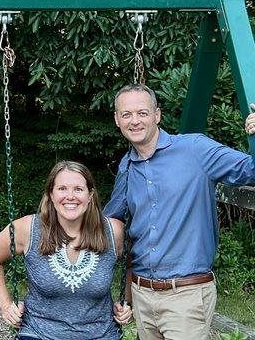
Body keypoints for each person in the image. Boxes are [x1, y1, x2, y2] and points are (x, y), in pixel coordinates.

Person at [103, 83, 255, 340]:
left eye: (142, 112)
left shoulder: (195, 149)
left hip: (186, 294)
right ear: (117, 120)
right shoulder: (127, 165)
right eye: (126, 114)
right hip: (141, 294)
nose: (135, 121)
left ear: (157, 115)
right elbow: (111, 221)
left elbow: (251, 170)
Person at [0, 161, 131, 339]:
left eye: (78, 189)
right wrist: (6, 306)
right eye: (62, 188)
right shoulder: (27, 229)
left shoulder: (113, 232)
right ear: (51, 194)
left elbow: (133, 263)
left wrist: (127, 302)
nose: (70, 196)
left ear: (90, 195)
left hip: (100, 333)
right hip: (39, 333)